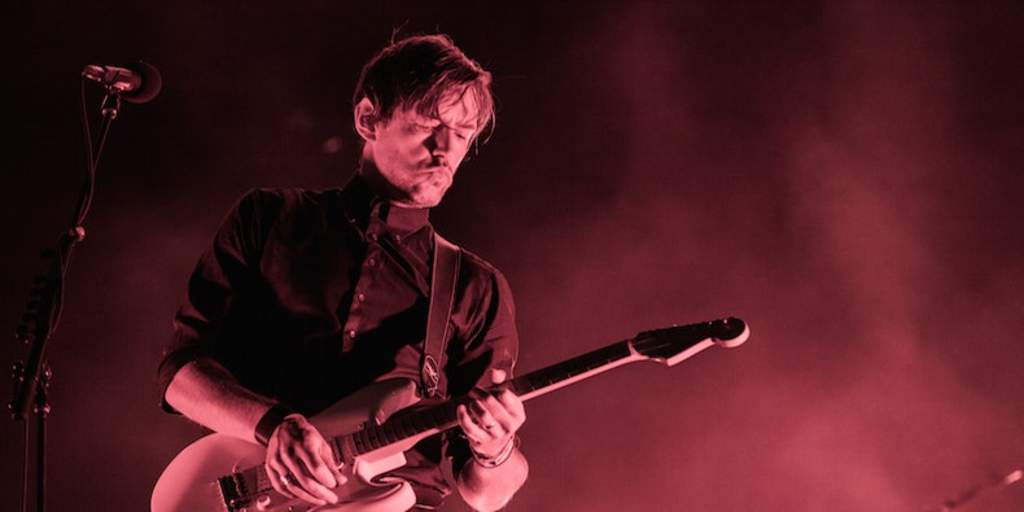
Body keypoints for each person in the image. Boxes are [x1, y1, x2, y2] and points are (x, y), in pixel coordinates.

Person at [157, 34, 528, 511]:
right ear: (368, 118)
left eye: (463, 133)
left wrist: (496, 450)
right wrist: (275, 425)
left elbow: (485, 495)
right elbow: (181, 376)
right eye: (428, 125)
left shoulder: (476, 288)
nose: (445, 149)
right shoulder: (269, 219)